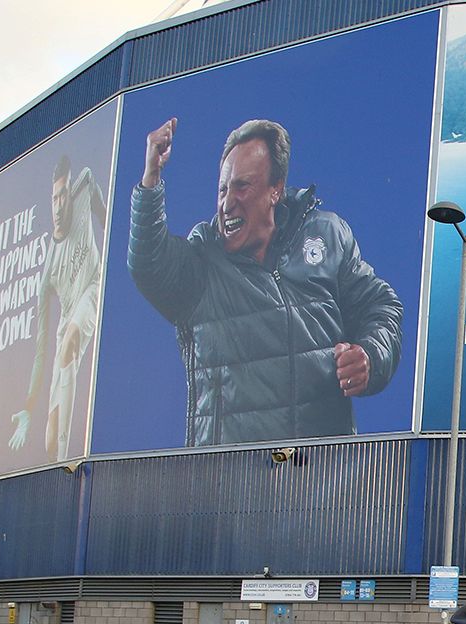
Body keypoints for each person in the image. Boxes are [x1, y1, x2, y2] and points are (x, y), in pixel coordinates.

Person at [128, 116, 404, 447]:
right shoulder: (202, 260)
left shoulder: (327, 236)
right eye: (222, 188)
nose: (227, 202)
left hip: (320, 479)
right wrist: (150, 181)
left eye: (242, 186)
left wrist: (371, 355)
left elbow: (381, 307)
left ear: (275, 190)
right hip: (229, 480)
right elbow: (148, 264)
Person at [12, 156, 107, 461]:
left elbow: (105, 215)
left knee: (70, 343)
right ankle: (61, 467)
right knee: (49, 442)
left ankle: (70, 461)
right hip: (65, 320)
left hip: (93, 286)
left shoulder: (85, 184)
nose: (59, 204)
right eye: (54, 197)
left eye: (63, 194)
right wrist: (28, 408)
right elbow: (41, 352)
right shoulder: (49, 271)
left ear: (70, 190)